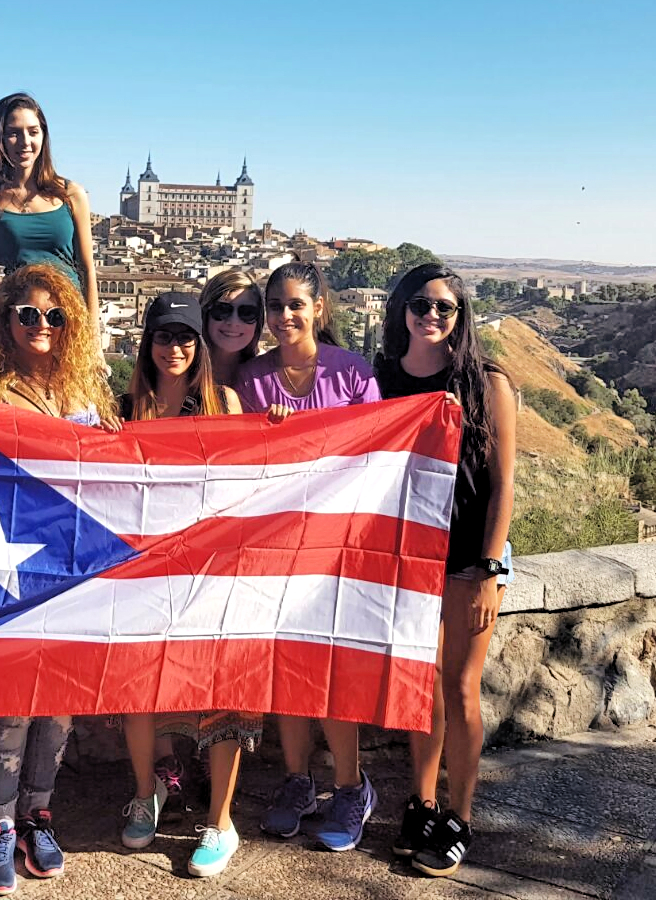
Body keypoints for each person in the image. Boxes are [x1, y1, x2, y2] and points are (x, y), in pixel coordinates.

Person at [0, 263, 118, 895]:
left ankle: (39, 813)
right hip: (11, 559)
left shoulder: (85, 388)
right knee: (10, 697)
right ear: (5, 320)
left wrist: (113, 438)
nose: (42, 326)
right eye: (27, 314)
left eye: (55, 315)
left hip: (76, 562)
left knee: (59, 699)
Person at [234, 262, 382, 853]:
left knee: (329, 673)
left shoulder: (351, 373)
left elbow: (380, 446)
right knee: (285, 672)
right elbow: (240, 459)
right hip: (276, 544)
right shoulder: (252, 380)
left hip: (338, 546)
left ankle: (351, 785)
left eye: (295, 304)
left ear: (319, 307)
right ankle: (299, 782)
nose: (283, 316)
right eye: (275, 306)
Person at [374, 264, 516, 877]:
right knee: (419, 686)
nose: (432, 315)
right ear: (401, 309)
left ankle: (460, 816)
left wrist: (488, 568)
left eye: (446, 307)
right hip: (410, 555)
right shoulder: (381, 380)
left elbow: (505, 482)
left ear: (461, 316)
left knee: (458, 687)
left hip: (468, 560)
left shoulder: (487, 382)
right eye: (421, 304)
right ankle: (423, 803)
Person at [114, 293, 248, 878]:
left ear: (200, 348)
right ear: (148, 344)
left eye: (186, 337)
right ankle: (147, 793)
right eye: (165, 336)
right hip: (144, 573)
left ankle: (221, 822)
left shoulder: (228, 405)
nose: (176, 348)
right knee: (137, 690)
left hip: (213, 573)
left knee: (221, 696)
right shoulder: (124, 408)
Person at [0, 93, 100, 344]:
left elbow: (87, 269)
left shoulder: (70, 194)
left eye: (33, 132)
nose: (25, 142)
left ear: (43, 136)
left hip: (67, 318)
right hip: (21, 322)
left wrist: (93, 336)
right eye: (14, 132)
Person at [197, 269, 264, 388]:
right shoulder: (182, 368)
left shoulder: (267, 375)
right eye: (222, 310)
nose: (234, 322)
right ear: (205, 313)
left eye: (247, 313)